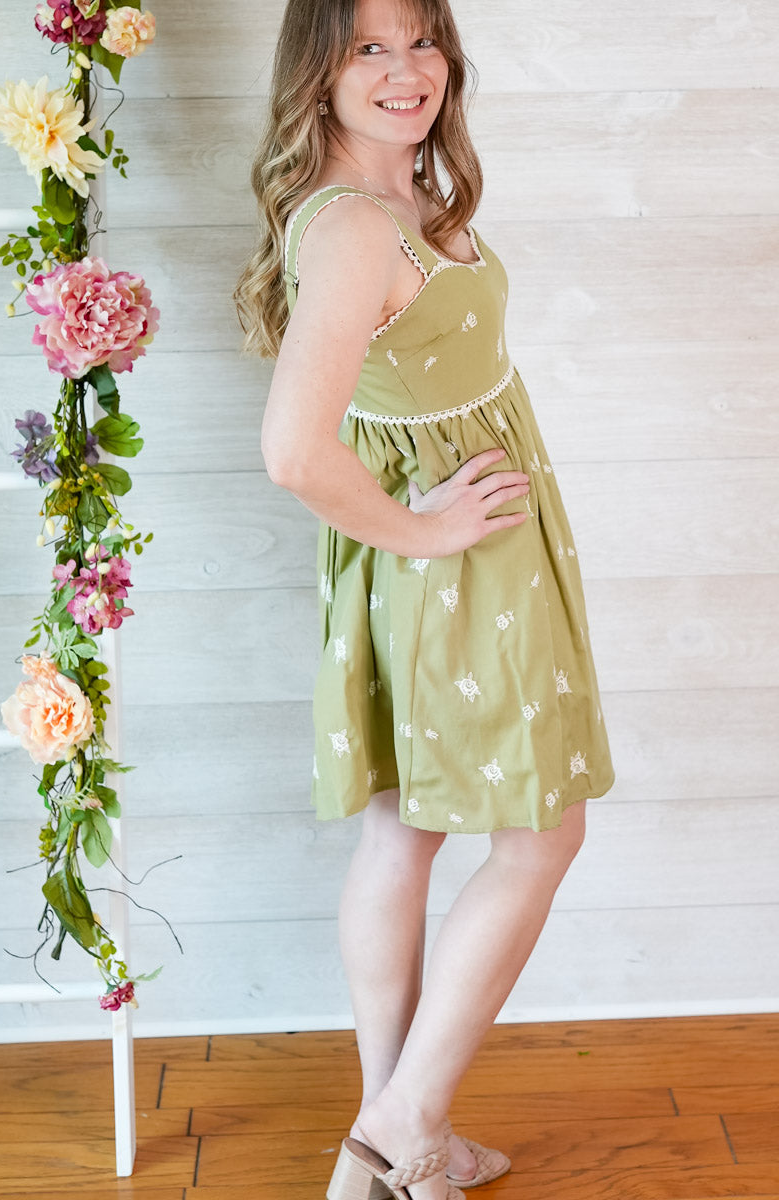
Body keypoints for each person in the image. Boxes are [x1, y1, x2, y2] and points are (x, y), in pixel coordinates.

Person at [235, 0, 615, 1196]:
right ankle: (398, 1128)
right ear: (317, 71)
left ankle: (398, 1143)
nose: (405, 71)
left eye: (419, 40)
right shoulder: (353, 228)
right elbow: (296, 451)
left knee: (405, 828)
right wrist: (428, 531)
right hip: (457, 570)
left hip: (449, 562)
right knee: (542, 830)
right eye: (366, 48)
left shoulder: (403, 199)